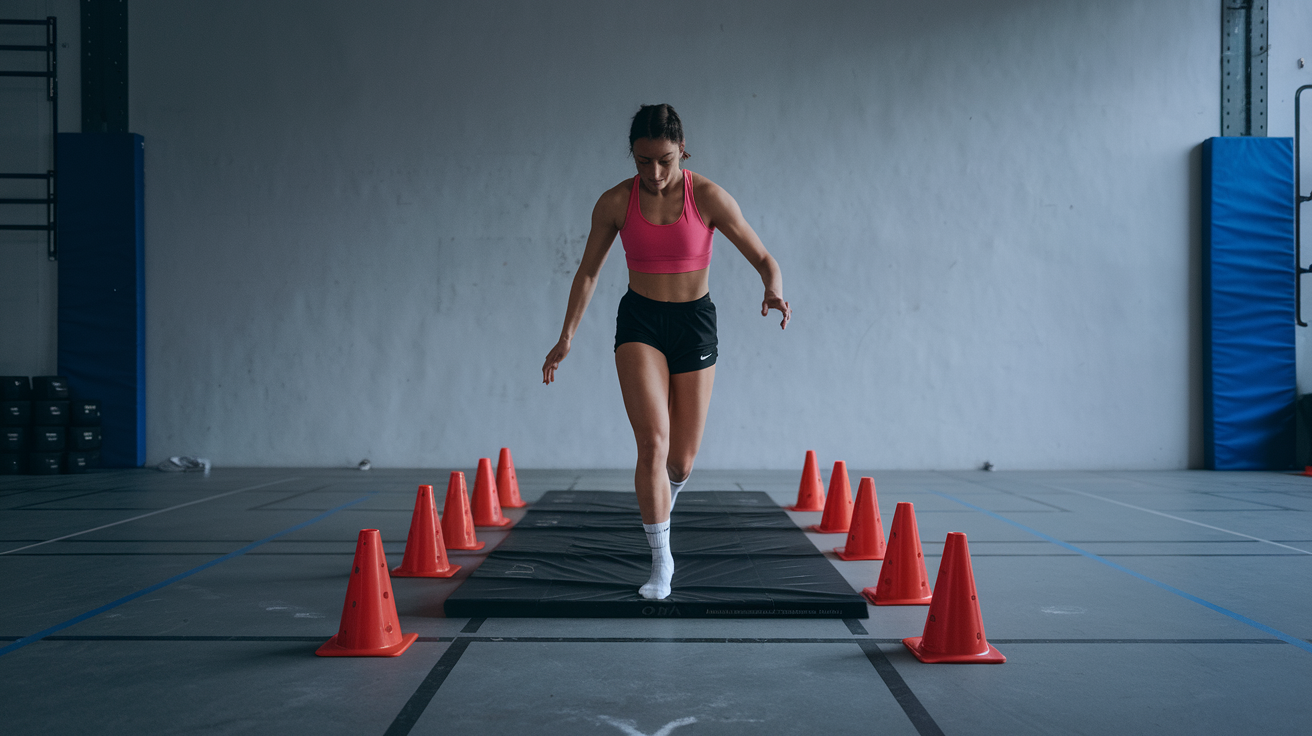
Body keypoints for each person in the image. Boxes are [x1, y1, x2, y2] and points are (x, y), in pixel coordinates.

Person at [542, 104, 790, 600]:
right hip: (640, 322)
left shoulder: (709, 197)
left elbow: (764, 257)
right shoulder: (615, 202)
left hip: (694, 325)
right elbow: (588, 272)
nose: (653, 174)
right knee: (653, 444)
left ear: (684, 153)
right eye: (642, 162)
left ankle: (667, 493)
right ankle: (661, 563)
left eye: (665, 161)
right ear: (632, 158)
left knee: (680, 461)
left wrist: (772, 287)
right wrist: (567, 334)